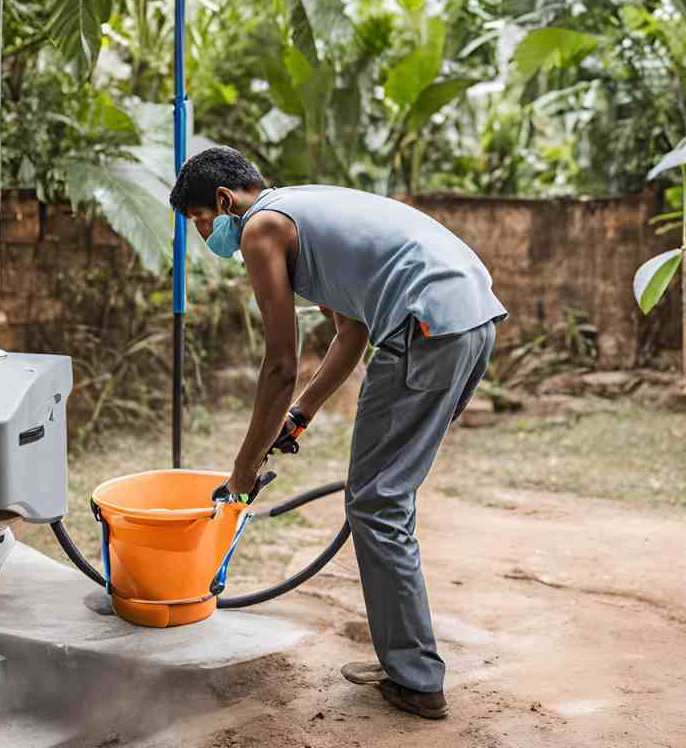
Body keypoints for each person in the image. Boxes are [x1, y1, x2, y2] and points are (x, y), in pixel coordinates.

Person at [168, 147, 507, 720]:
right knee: (384, 497)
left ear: (224, 202)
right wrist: (299, 415)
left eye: (200, 220)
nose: (205, 234)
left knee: (376, 502)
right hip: (470, 315)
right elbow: (348, 333)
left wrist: (242, 473)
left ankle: (416, 678)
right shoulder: (304, 209)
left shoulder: (261, 228)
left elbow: (279, 363)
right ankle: (406, 660)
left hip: (425, 322)